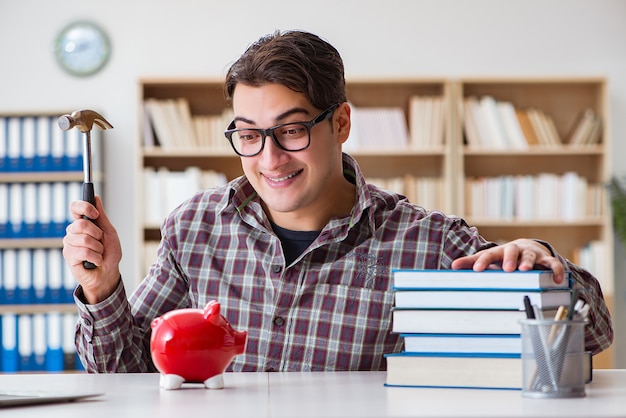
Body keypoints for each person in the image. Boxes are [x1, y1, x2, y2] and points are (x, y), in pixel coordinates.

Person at [63, 29, 613, 373]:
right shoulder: (195, 227)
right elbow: (126, 373)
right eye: (249, 135)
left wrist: (541, 262)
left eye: (293, 130)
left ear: (341, 122)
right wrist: (102, 286)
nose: (270, 159)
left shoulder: (427, 239)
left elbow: (590, 336)